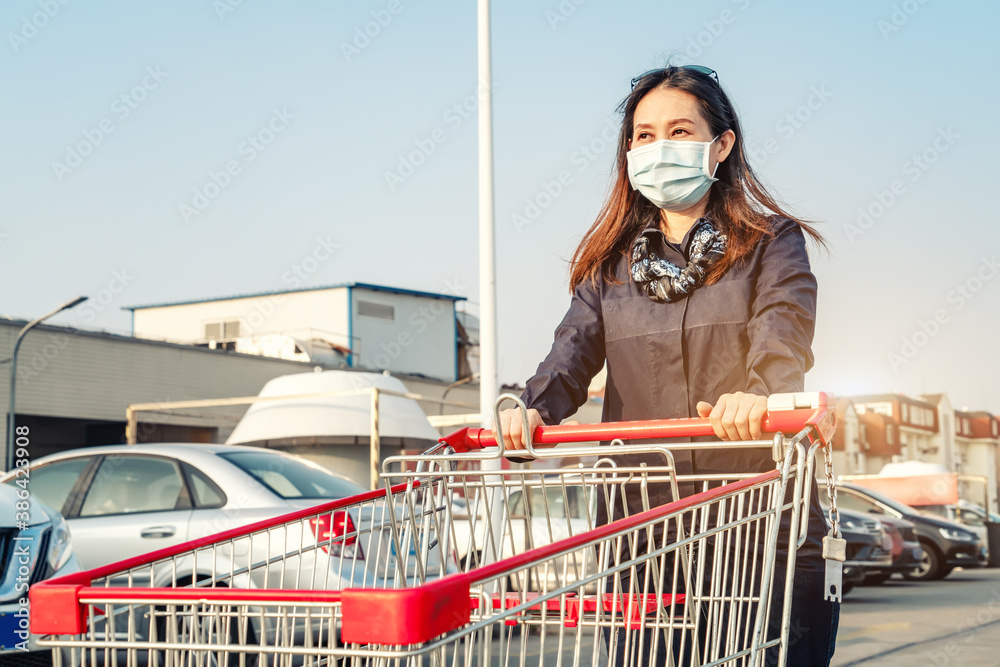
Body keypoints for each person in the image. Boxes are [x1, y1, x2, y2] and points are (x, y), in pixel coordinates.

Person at [495, 65, 838, 665]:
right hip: (642, 524)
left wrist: (759, 395)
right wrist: (528, 410)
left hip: (753, 508)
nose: (659, 149)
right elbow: (571, 354)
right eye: (644, 136)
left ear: (721, 144)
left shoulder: (769, 242)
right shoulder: (610, 267)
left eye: (680, 131)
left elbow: (783, 329)